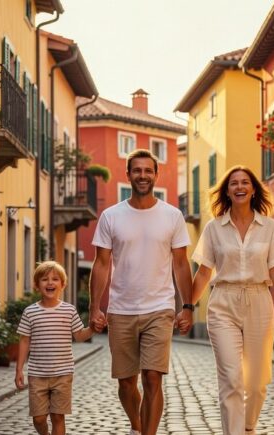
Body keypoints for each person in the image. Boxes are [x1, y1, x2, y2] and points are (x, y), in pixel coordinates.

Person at [89, 149, 194, 435]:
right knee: (126, 383)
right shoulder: (111, 216)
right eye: (137, 170)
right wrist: (95, 308)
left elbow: (181, 264)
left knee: (152, 378)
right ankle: (137, 426)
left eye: (148, 170)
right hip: (121, 310)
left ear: (156, 175)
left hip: (160, 309)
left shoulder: (172, 216)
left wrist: (187, 307)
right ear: (128, 175)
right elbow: (101, 264)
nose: (143, 175)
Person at [190, 165, 274, 435]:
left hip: (260, 301)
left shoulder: (269, 227)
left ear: (254, 189)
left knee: (257, 383)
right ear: (227, 191)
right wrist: (188, 307)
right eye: (233, 183)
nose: (239, 187)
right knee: (231, 379)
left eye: (245, 182)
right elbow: (203, 272)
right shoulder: (214, 228)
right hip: (223, 303)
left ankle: (247, 427)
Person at [15, 261, 94, 435]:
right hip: (37, 374)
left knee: (58, 417)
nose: (50, 282)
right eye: (44, 279)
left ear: (62, 285)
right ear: (37, 285)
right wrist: (19, 369)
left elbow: (79, 336)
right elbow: (24, 341)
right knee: (38, 418)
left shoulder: (69, 310)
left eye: (55, 279)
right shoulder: (30, 312)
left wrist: (93, 329)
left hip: (63, 373)